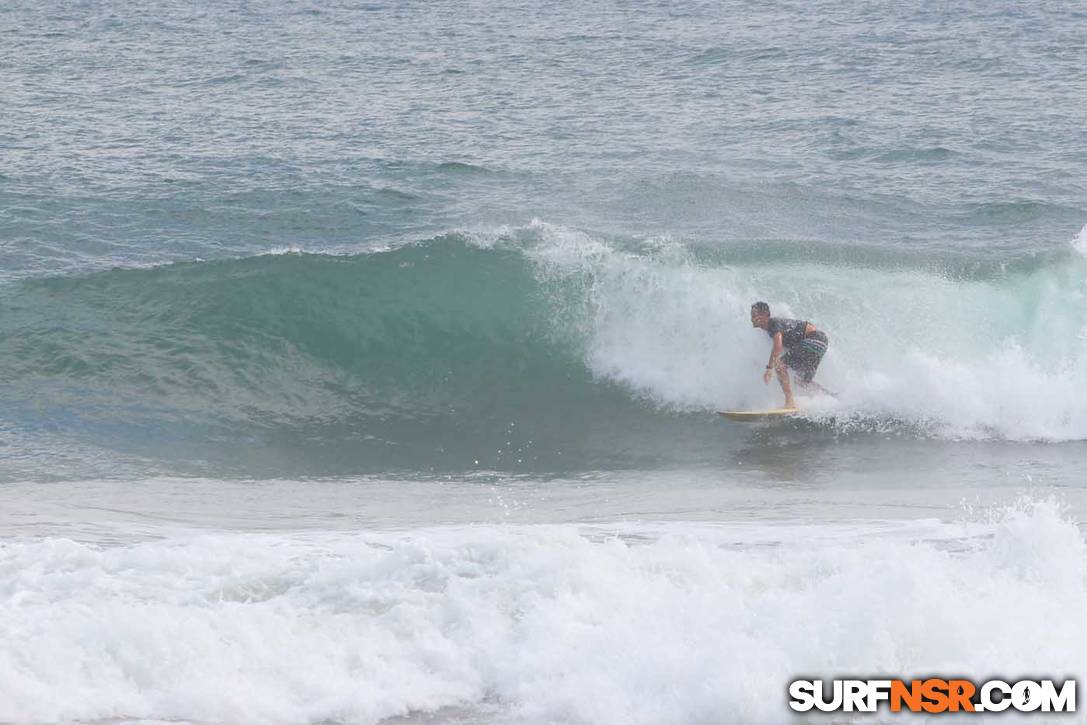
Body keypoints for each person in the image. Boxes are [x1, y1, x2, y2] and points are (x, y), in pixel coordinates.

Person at [749, 301, 830, 409]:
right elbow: (781, 349)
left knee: (780, 365)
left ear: (764, 315)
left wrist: (769, 369)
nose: (752, 318)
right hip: (820, 344)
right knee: (802, 381)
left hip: (814, 339)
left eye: (754, 315)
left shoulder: (773, 323)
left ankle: (790, 402)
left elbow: (778, 347)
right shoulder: (776, 328)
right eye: (751, 316)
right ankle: (829, 397)